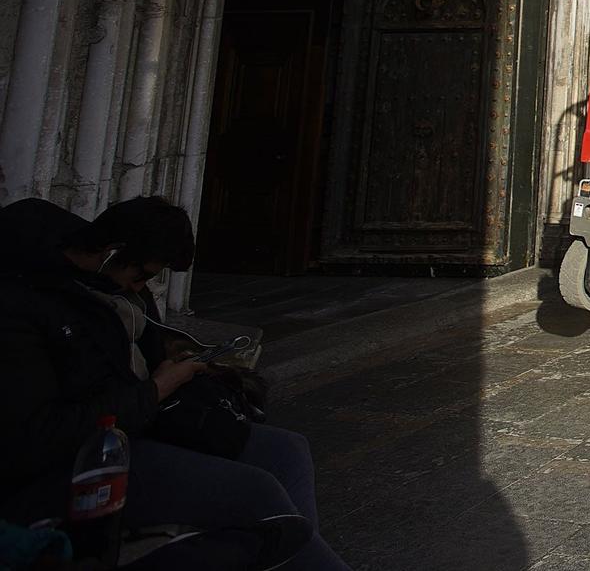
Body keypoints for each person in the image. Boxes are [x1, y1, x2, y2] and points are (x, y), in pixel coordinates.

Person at [0, 196, 349, 569]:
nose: (140, 289)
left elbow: (137, 343)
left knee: (287, 451)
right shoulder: (21, 307)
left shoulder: (108, 288)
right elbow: (38, 436)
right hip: (80, 461)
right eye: (142, 276)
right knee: (256, 493)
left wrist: (175, 355)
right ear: (112, 251)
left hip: (139, 420)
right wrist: (158, 388)